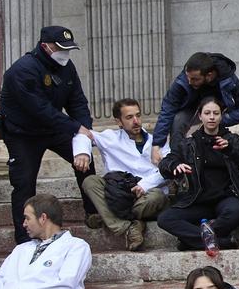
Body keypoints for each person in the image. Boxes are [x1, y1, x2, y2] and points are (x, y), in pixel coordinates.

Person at [0, 25, 98, 244]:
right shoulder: (22, 71)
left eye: (68, 49)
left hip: (53, 128)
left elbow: (77, 102)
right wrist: (75, 128)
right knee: (24, 183)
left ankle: (94, 212)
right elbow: (40, 110)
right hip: (22, 133)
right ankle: (24, 239)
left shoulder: (66, 66)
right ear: (45, 46)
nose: (65, 53)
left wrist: (84, 136)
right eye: (60, 48)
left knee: (85, 162)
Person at [157, 97, 239, 251]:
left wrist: (231, 149)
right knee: (165, 219)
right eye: (207, 113)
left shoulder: (231, 139)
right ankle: (221, 241)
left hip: (225, 198)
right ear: (200, 116)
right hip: (197, 200)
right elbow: (164, 164)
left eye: (216, 113)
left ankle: (191, 241)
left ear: (221, 115)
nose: (211, 117)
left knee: (236, 212)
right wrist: (174, 165)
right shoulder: (189, 143)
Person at [72, 97, 170, 251]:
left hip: (146, 196)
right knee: (90, 181)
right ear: (119, 122)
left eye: (138, 115)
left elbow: (167, 170)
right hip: (119, 194)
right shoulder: (110, 138)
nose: (136, 121)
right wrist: (82, 153)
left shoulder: (157, 141)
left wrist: (145, 184)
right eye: (129, 117)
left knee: (157, 196)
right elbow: (83, 134)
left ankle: (108, 217)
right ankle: (129, 225)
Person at [150, 52, 239, 165]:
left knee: (212, 122)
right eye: (188, 77)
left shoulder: (227, 78)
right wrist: (157, 144)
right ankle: (177, 161)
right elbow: (167, 109)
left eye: (194, 79)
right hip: (190, 108)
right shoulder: (184, 79)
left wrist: (221, 120)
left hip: (218, 111)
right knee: (178, 120)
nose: (189, 82)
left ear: (209, 75)